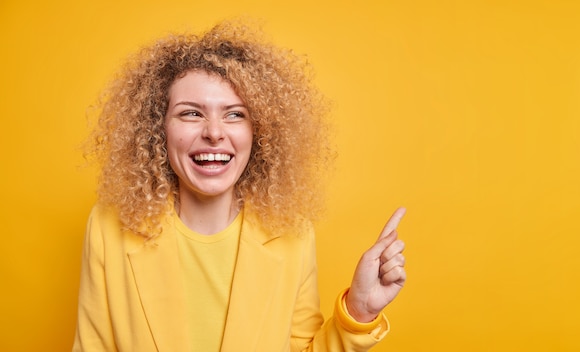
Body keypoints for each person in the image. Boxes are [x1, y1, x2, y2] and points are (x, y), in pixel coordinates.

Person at [73, 20, 407, 352]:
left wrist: (360, 311)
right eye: (191, 113)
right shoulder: (108, 228)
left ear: (259, 132)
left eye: (235, 115)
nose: (214, 132)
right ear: (157, 129)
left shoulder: (292, 233)